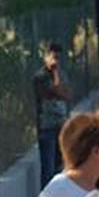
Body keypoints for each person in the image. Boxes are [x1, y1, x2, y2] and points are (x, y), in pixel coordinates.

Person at [33, 42, 72, 188]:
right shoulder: (40, 77)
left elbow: (67, 94)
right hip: (46, 127)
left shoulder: (62, 74)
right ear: (46, 57)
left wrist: (58, 78)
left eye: (59, 58)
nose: (56, 62)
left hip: (61, 125)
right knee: (48, 169)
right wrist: (55, 74)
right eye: (54, 57)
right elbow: (57, 91)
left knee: (59, 166)